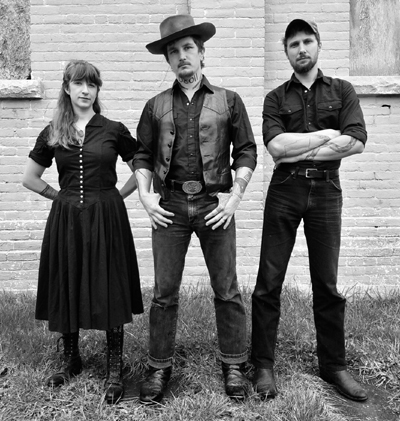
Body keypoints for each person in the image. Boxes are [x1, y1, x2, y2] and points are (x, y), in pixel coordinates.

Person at [133, 14, 257, 404]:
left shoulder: (229, 100)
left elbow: (247, 151)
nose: (182, 56)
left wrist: (234, 197)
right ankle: (159, 366)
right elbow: (142, 154)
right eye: (174, 51)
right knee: (164, 292)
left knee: (227, 289)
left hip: (213, 205)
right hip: (169, 206)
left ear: (202, 53)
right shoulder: (155, 106)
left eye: (188, 48)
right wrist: (145, 196)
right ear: (168, 60)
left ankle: (234, 363)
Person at [251, 19, 368, 402]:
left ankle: (333, 366)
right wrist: (327, 136)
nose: (301, 49)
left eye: (307, 41)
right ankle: (263, 365)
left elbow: (357, 141)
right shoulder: (275, 98)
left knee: (327, 284)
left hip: (327, 191)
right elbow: (275, 148)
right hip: (285, 190)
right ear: (286, 51)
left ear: (317, 44)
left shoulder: (342, 90)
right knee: (269, 282)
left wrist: (299, 148)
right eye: (294, 44)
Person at [22, 60, 143, 405]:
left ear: (97, 89)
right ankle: (70, 359)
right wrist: (58, 196)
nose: (86, 91)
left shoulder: (113, 130)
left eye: (92, 84)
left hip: (107, 217)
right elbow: (30, 178)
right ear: (67, 88)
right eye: (79, 84)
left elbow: (143, 170)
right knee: (68, 277)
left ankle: (114, 369)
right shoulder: (53, 131)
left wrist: (117, 196)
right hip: (67, 219)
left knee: (110, 282)